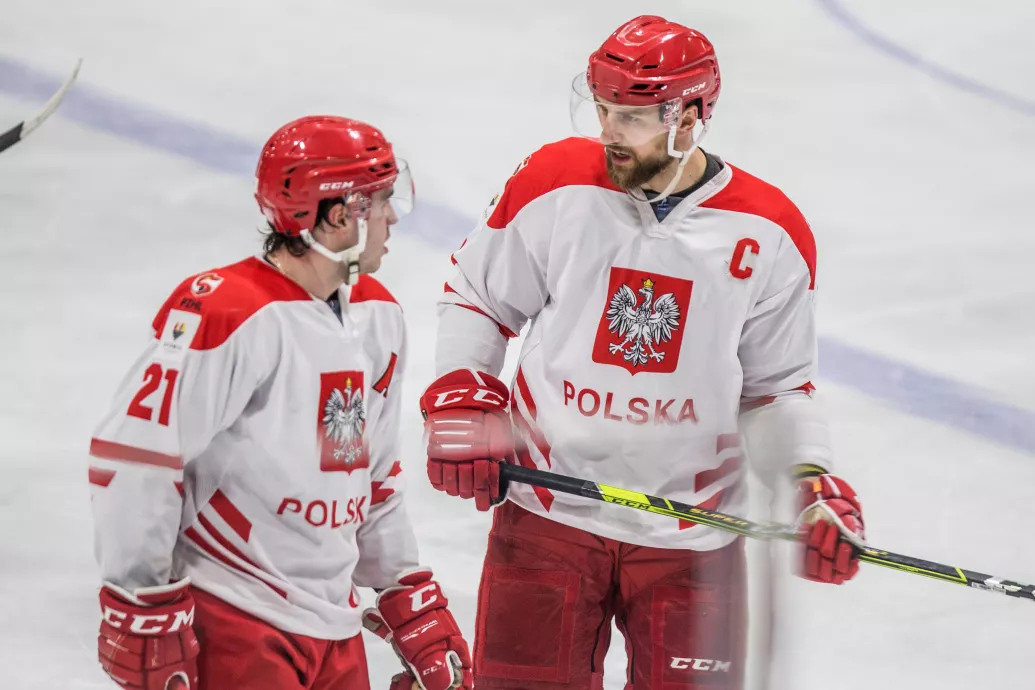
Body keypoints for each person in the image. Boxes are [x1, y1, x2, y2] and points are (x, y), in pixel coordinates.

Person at [420, 15, 865, 690]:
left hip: (691, 537)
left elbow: (777, 390)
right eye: (602, 109)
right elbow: (478, 297)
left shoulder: (769, 231)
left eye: (629, 117)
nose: (608, 131)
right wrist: (462, 393)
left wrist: (810, 482)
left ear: (689, 118)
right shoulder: (553, 181)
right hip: (547, 512)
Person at [88, 115, 472, 690]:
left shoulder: (378, 316)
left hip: (335, 626)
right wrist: (140, 599)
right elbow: (138, 456)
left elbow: (372, 477)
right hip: (234, 614)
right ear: (338, 215)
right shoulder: (228, 313)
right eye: (380, 201)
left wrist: (404, 589)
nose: (393, 217)